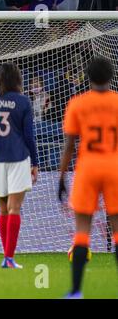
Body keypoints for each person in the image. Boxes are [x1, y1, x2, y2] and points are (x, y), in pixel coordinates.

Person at [58, 57, 118, 299]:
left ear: (88, 77)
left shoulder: (77, 103)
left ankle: (75, 292)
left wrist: (61, 175)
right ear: (111, 76)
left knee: (82, 231)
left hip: (88, 168)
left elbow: (70, 145)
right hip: (114, 167)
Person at [0, 62, 38, 269]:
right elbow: (29, 136)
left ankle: (6, 258)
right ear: (17, 79)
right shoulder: (24, 102)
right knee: (15, 208)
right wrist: (35, 162)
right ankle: (9, 257)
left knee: (3, 209)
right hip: (18, 157)